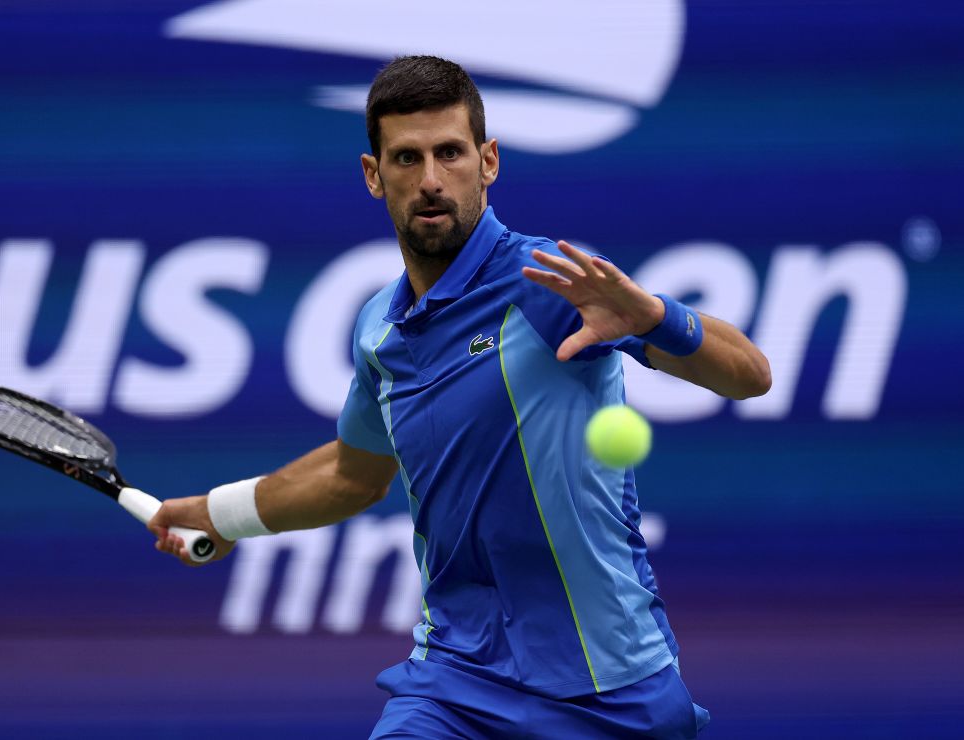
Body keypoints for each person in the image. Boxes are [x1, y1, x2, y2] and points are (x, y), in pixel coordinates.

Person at [149, 55, 771, 739]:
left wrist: (654, 317)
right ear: (373, 175)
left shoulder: (550, 285)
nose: (431, 180)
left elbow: (749, 374)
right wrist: (223, 513)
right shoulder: (379, 332)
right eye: (407, 159)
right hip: (454, 682)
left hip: (611, 687)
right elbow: (352, 474)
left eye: (450, 153)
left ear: (489, 161)